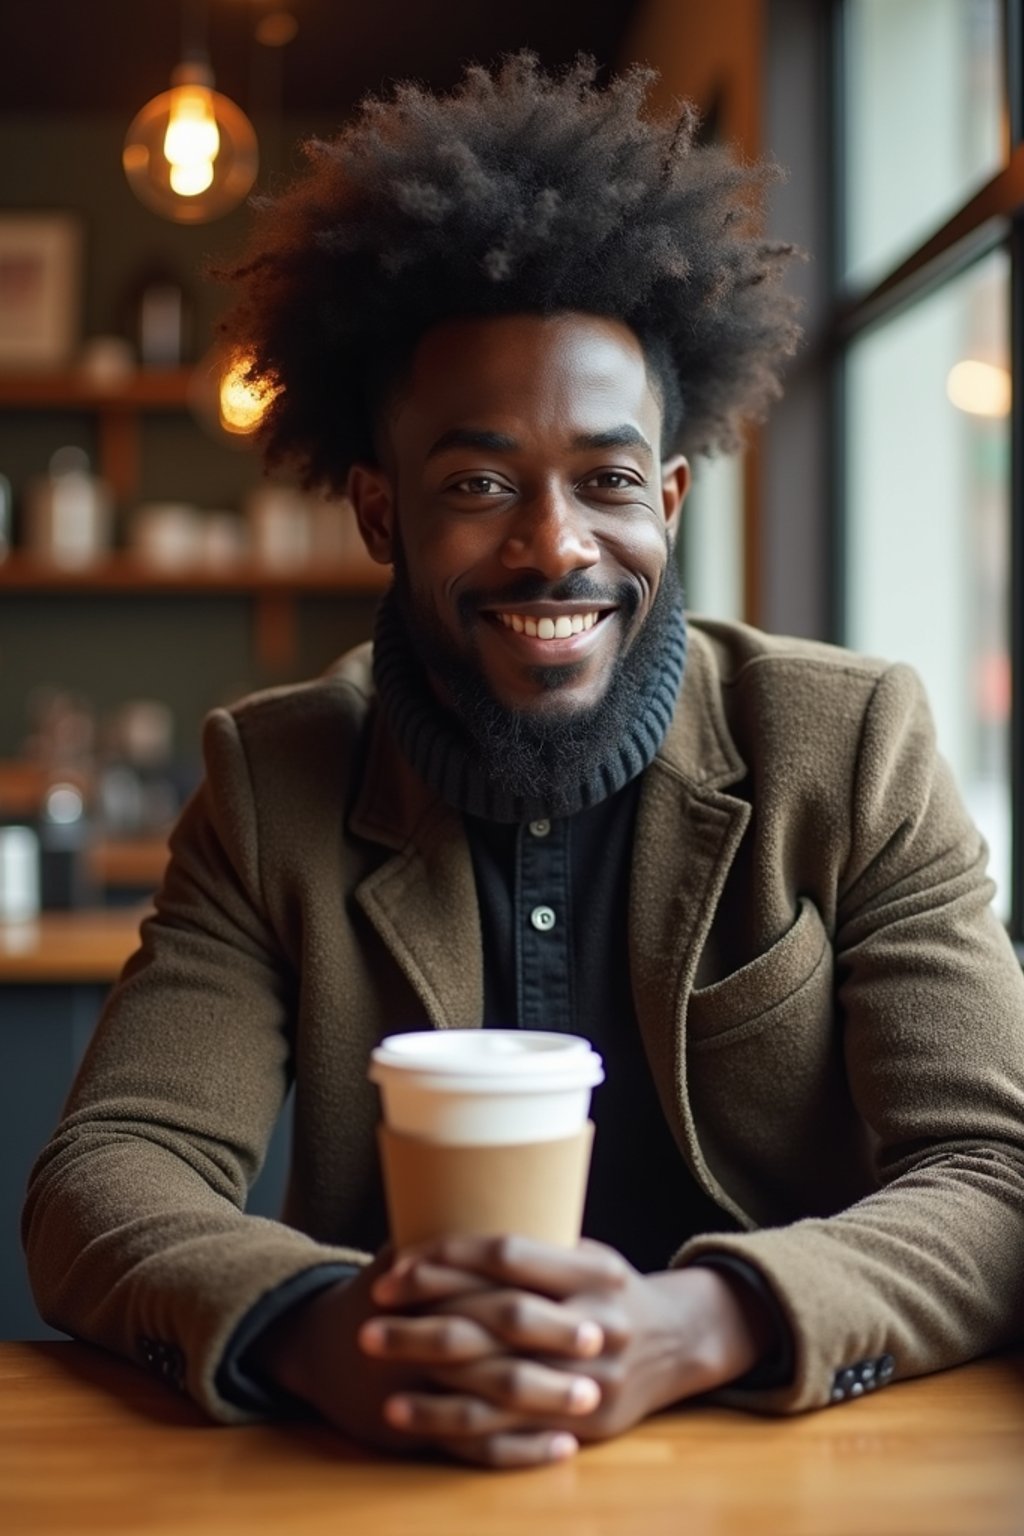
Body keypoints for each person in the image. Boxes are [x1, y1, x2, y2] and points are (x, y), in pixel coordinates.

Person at [23, 55, 1024, 1470]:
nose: (555, 543)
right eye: (477, 484)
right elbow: (103, 1177)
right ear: (381, 513)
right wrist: (315, 1324)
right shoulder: (275, 780)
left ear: (668, 498)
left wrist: (707, 1319)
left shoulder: (850, 745)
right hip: (395, 1469)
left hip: (786, 1474)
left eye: (609, 481)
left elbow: (999, 1173)